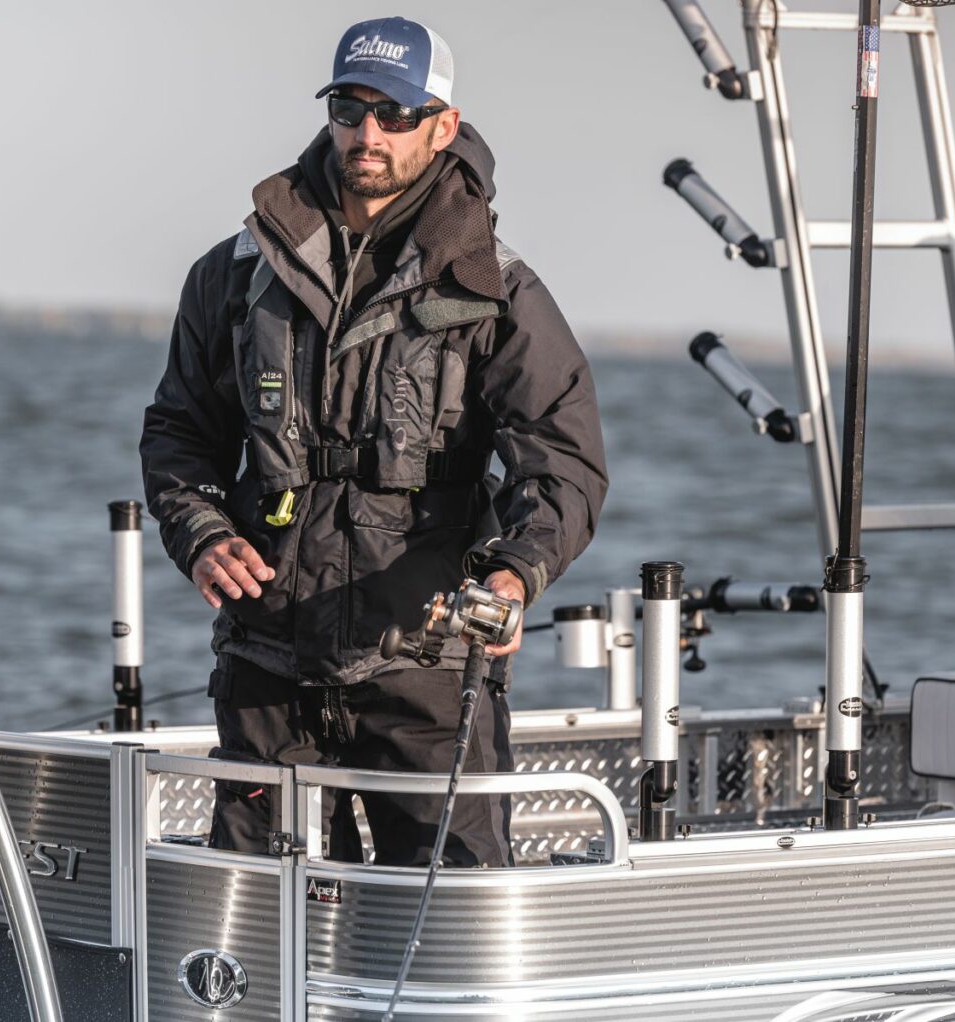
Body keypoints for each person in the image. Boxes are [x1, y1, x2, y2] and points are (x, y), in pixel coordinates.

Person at [140, 16, 607, 867]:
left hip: (424, 665)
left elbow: (565, 460)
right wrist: (200, 534)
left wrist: (516, 570)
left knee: (448, 930)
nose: (368, 135)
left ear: (443, 124)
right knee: (246, 937)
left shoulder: (493, 285)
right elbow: (178, 434)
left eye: (394, 115)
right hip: (264, 661)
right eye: (351, 110)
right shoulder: (237, 270)